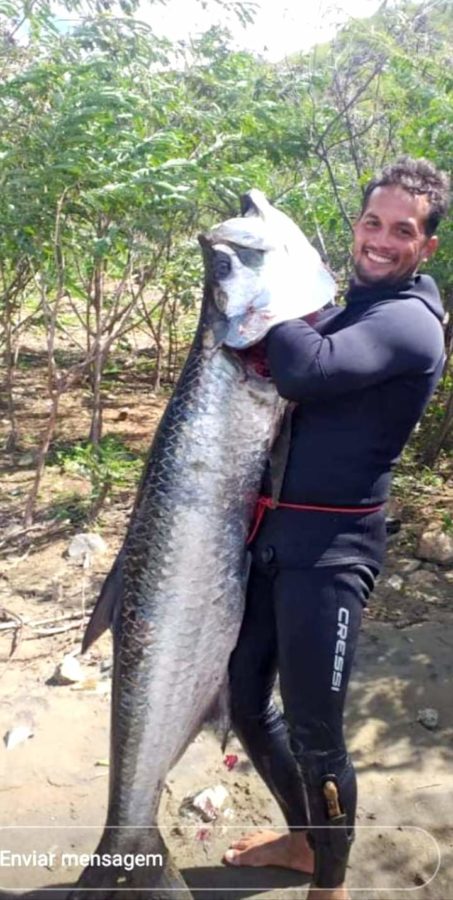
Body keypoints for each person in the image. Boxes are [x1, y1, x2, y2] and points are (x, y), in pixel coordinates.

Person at [223, 157, 450, 900]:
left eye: (402, 230)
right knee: (247, 702)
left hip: (332, 554)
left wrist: (272, 292)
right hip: (275, 537)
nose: (381, 240)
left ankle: (331, 884)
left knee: (316, 730)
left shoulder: (409, 323)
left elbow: (306, 371)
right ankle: (301, 841)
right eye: (371, 222)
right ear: (357, 224)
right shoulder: (350, 302)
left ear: (427, 245)